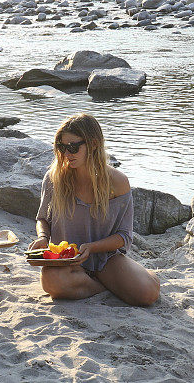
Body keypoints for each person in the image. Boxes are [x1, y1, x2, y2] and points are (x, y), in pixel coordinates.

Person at [28, 113, 160, 306]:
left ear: (94, 143)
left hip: (105, 258)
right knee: (51, 283)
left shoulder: (117, 182)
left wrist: (91, 248)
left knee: (147, 295)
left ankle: (120, 278)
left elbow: (124, 236)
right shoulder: (54, 178)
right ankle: (103, 287)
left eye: (73, 147)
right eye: (62, 147)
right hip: (66, 260)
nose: (67, 154)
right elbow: (43, 220)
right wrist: (42, 238)